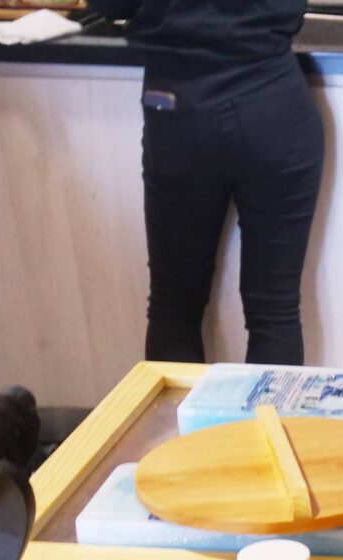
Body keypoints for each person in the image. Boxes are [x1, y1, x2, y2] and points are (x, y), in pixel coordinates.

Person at [87, 0, 324, 363]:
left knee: (174, 309)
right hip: (273, 101)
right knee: (274, 313)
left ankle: (178, 423)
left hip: (179, 107)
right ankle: (264, 423)